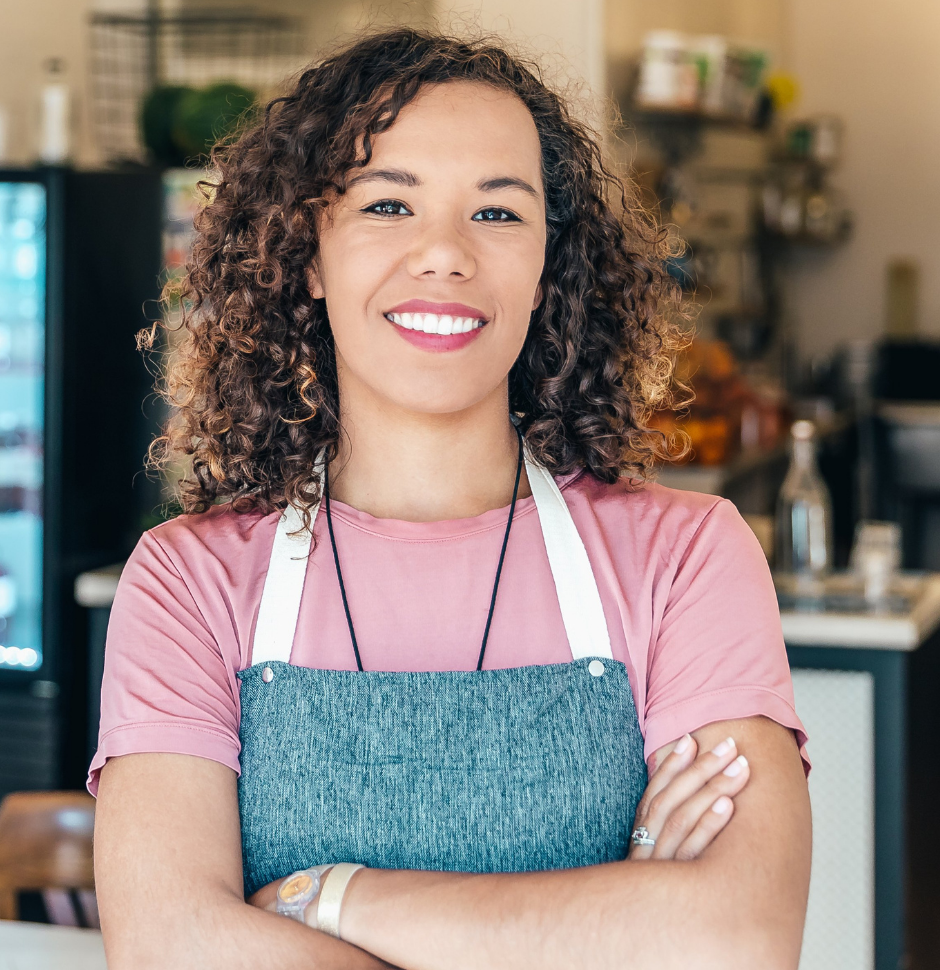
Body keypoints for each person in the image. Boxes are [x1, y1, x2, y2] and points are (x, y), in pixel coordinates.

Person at [91, 28, 812, 970]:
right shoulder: (188, 582)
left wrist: (328, 898)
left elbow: (738, 940)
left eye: (500, 215)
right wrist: (617, 920)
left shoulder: (686, 557)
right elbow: (173, 950)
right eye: (389, 204)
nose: (444, 255)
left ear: (551, 264)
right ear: (310, 256)